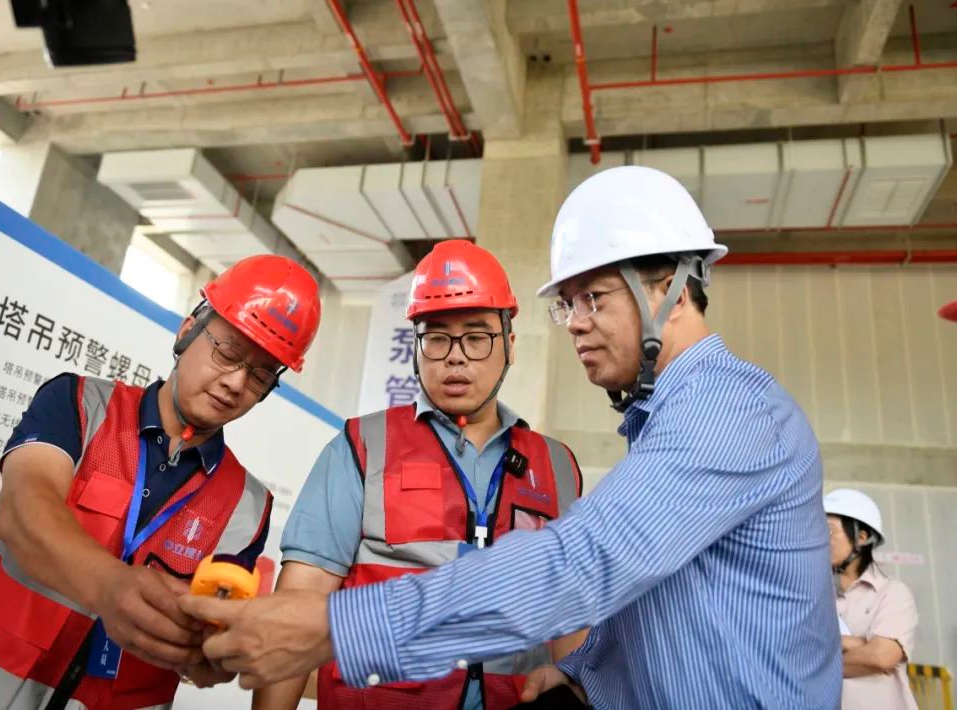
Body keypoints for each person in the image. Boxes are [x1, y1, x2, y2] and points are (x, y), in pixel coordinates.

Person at [179, 166, 843, 709]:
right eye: (567, 303)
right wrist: (585, 673)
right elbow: (669, 609)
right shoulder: (361, 447)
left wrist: (339, 630)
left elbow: (579, 568)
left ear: (667, 289)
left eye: (592, 298)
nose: (574, 323)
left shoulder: (725, 413)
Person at [0, 255, 322, 708]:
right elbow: (22, 509)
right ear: (188, 330)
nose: (235, 382)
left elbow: (212, 632)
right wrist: (109, 587)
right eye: (228, 353)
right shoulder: (77, 404)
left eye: (260, 374)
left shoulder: (249, 506)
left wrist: (211, 653)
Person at [252, 239, 586, 710]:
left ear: (510, 345)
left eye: (477, 337)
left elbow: (571, 618)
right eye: (436, 337)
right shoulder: (361, 447)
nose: (455, 357)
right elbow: (298, 605)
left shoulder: (556, 467)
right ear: (416, 346)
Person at [825, 488, 919, 710]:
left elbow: (881, 656)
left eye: (829, 530)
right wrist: (860, 643)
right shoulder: (813, 597)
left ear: (861, 538)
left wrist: (820, 660)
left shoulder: (893, 593)